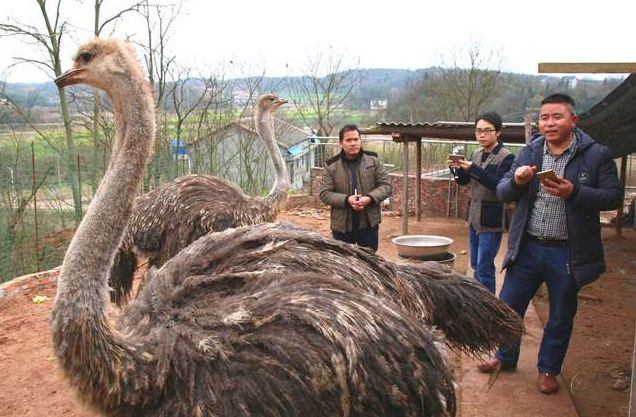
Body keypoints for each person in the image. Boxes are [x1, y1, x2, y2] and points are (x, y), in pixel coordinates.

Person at [478, 93, 623, 395]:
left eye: (557, 116)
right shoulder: (530, 152)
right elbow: (503, 191)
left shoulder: (596, 155)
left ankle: (548, 369)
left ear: (574, 120)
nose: (549, 123)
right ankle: (504, 356)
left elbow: (613, 196)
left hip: (567, 251)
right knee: (508, 307)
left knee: (560, 314)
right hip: (528, 247)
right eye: (544, 117)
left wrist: (575, 192)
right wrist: (517, 180)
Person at [448, 111, 515, 294]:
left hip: (491, 219)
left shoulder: (507, 157)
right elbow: (464, 181)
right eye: (478, 131)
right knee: (476, 263)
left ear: (498, 132)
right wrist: (455, 170)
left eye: (487, 130)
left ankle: (488, 307)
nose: (482, 135)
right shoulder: (476, 153)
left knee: (485, 266)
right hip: (474, 217)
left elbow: (500, 185)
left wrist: (473, 169)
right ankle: (477, 300)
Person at [319, 124, 392, 252]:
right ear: (340, 143)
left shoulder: (373, 161)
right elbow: (325, 193)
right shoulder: (331, 166)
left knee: (370, 262)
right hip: (342, 227)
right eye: (348, 140)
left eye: (356, 139)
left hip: (369, 224)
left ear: (360, 140)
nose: (353, 143)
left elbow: (386, 186)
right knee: (344, 264)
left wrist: (369, 199)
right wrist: (347, 199)